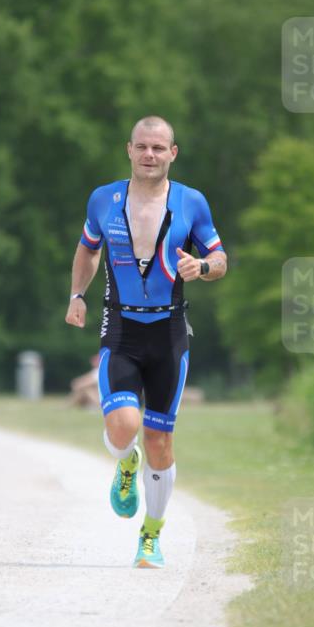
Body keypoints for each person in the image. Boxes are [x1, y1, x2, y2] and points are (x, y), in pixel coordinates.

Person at [65, 116, 227, 568]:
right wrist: (77, 295)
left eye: (159, 147)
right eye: (142, 147)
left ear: (173, 153)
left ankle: (151, 536)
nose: (150, 155)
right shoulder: (104, 199)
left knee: (161, 441)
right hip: (120, 329)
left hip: (170, 334)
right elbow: (87, 248)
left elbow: (220, 257)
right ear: (129, 150)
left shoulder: (191, 203)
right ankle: (125, 463)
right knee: (123, 426)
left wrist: (204, 268)